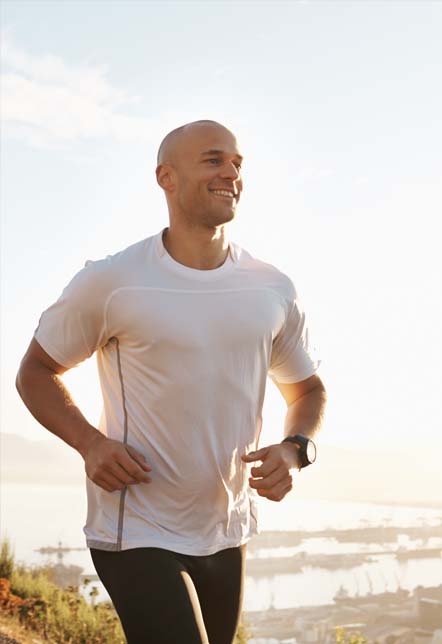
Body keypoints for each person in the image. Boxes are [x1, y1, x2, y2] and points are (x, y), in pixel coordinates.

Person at [16, 119, 327, 644]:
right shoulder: (112, 281)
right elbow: (35, 373)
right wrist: (90, 444)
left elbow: (308, 391)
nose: (231, 171)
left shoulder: (271, 288)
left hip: (227, 530)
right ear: (167, 177)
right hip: (135, 527)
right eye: (213, 159)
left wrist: (296, 449)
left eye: (237, 162)